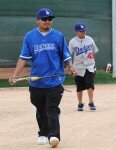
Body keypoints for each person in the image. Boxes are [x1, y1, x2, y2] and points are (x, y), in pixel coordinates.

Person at [9, 8, 76, 148]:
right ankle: (43, 133)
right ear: (37, 21)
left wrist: (71, 66)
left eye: (49, 19)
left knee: (50, 107)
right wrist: (15, 74)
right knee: (40, 108)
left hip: (54, 81)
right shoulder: (30, 37)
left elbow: (66, 55)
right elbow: (23, 58)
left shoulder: (58, 36)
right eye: (44, 19)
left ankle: (54, 136)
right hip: (37, 81)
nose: (47, 22)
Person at [69, 23, 99, 111]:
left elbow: (94, 51)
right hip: (77, 67)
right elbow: (69, 55)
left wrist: (93, 64)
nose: (83, 32)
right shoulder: (72, 42)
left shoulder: (89, 39)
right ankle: (80, 103)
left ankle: (91, 102)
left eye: (83, 31)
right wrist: (71, 67)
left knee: (90, 84)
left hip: (89, 66)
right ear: (76, 32)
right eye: (80, 31)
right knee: (79, 86)